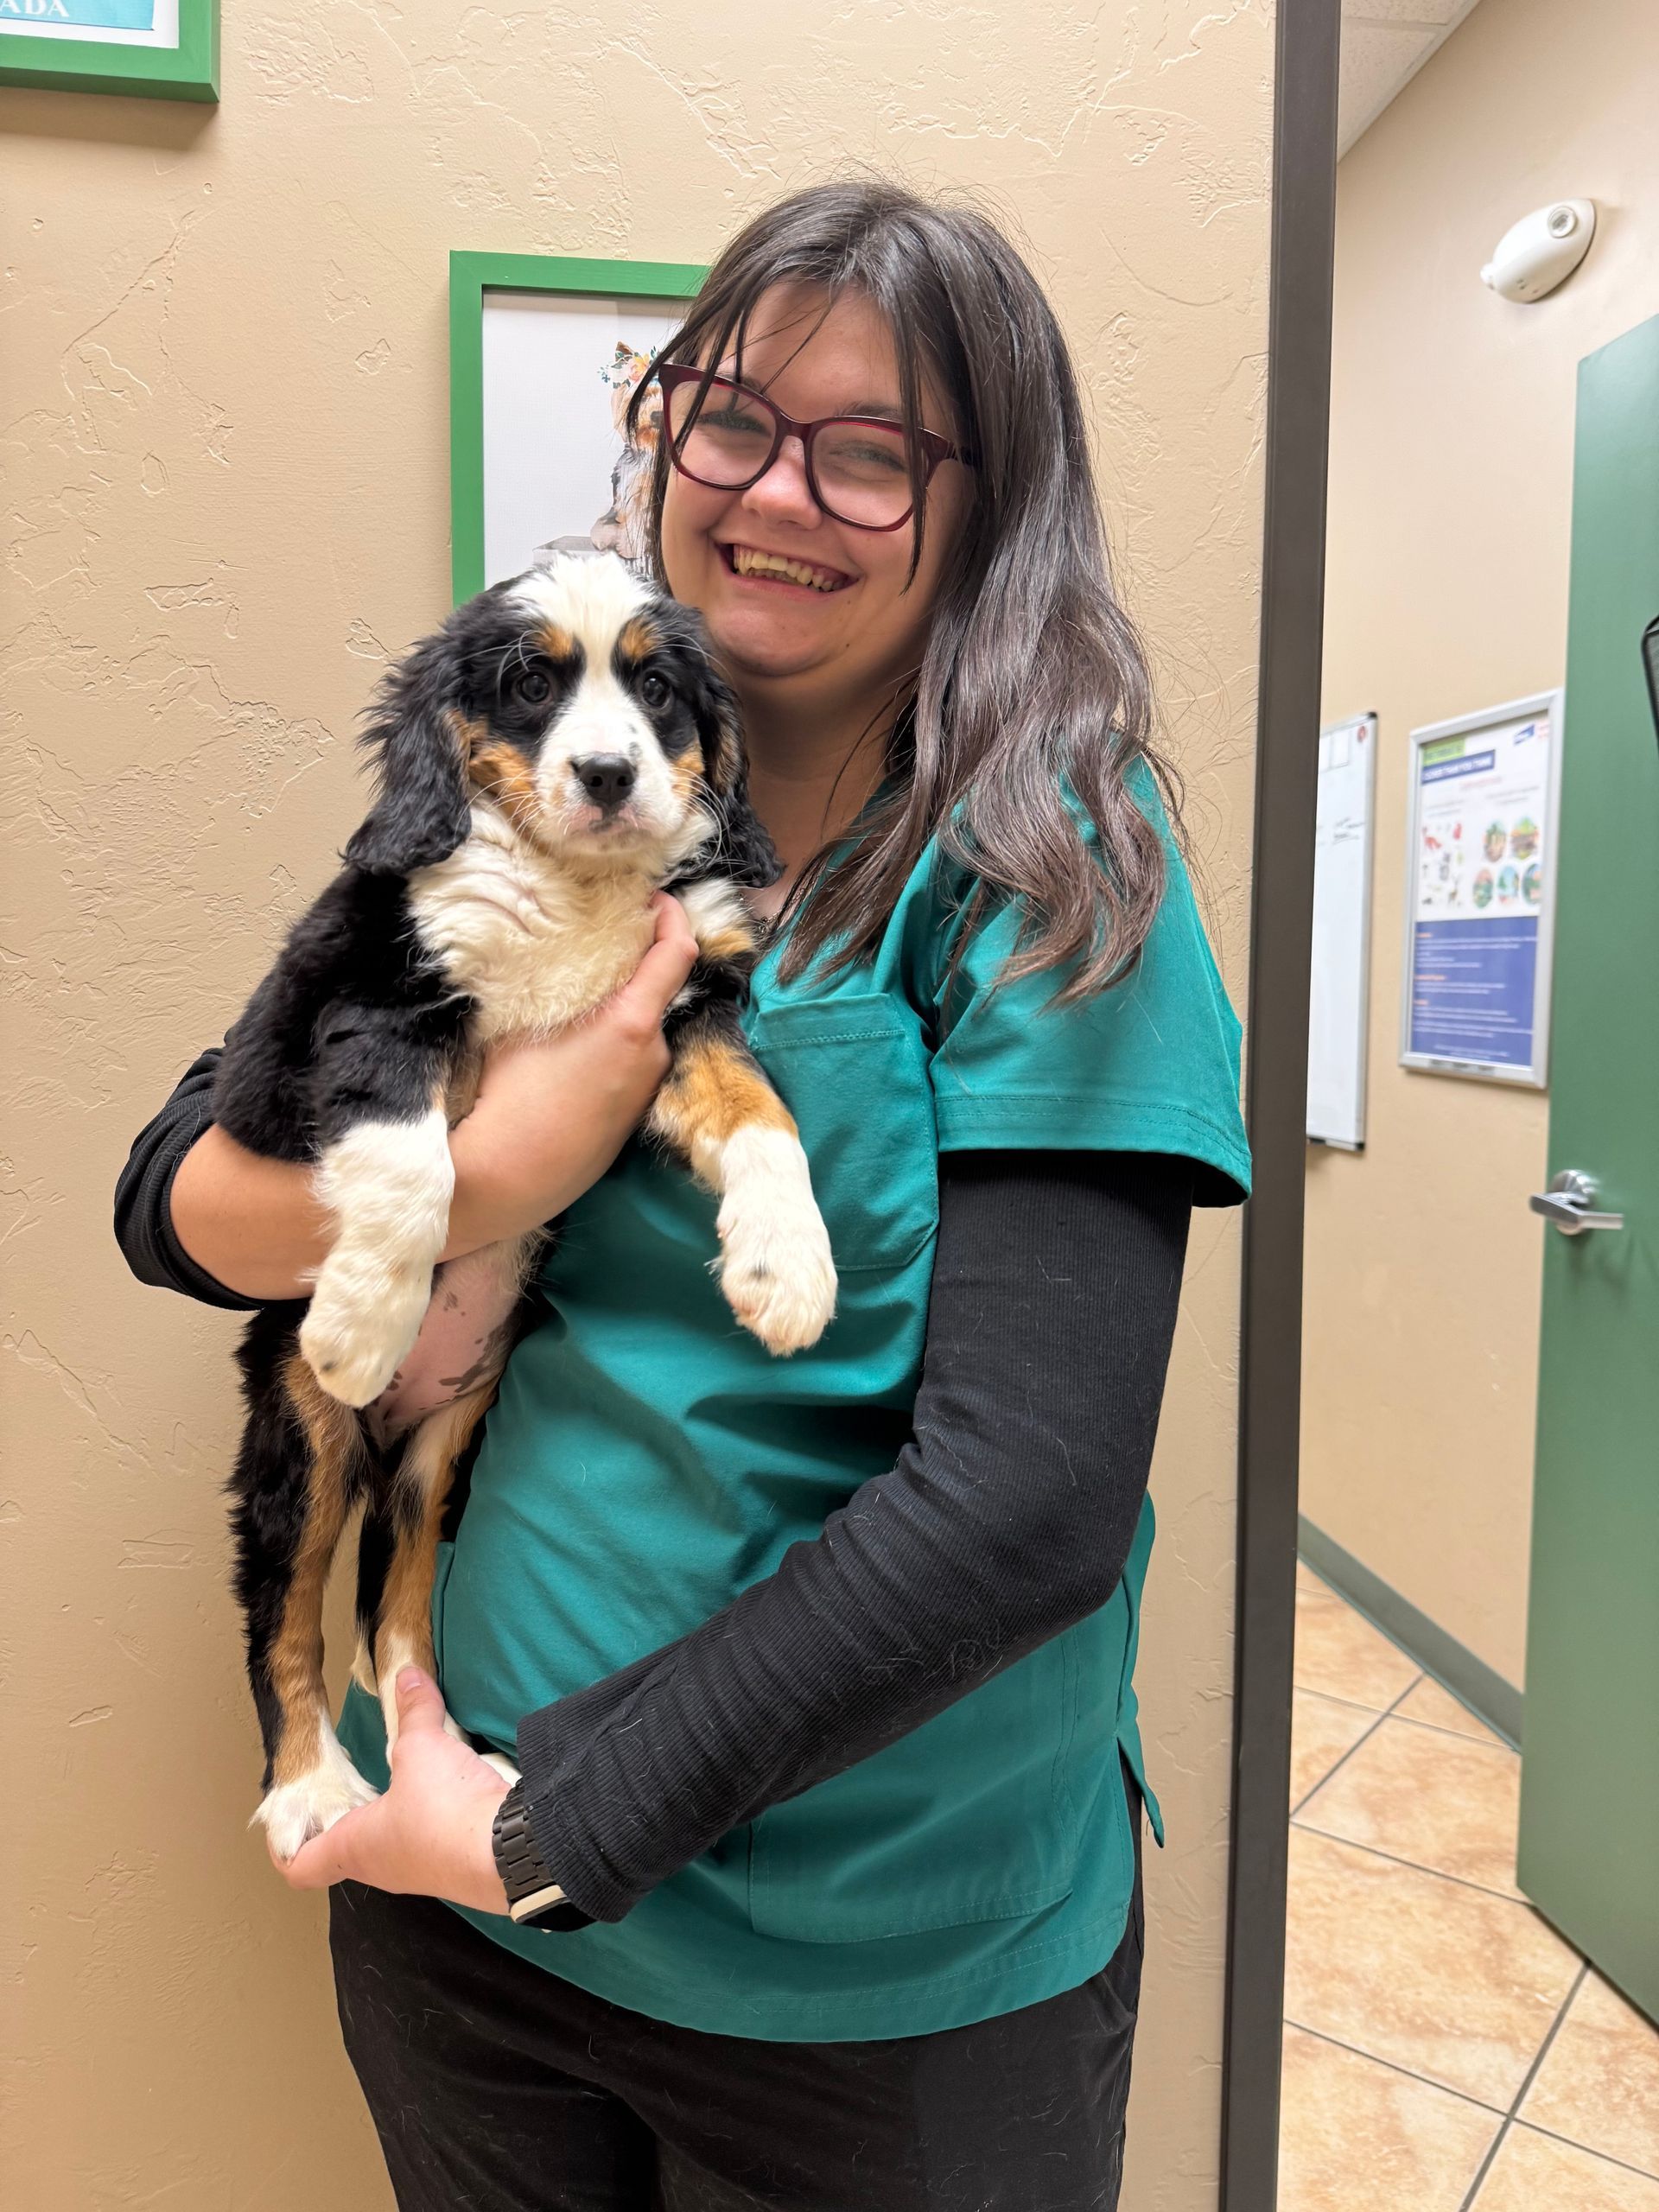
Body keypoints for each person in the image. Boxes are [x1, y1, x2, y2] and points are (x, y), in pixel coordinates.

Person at [114, 178, 1249, 2212]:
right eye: (727, 416)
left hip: (871, 1994)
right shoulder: (516, 782)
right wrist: (488, 1169)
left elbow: (1034, 1494)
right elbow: (182, 1190)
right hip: (456, 1926)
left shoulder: (1054, 857)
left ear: (991, 504)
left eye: (873, 449)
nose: (775, 490)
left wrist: (547, 1821)